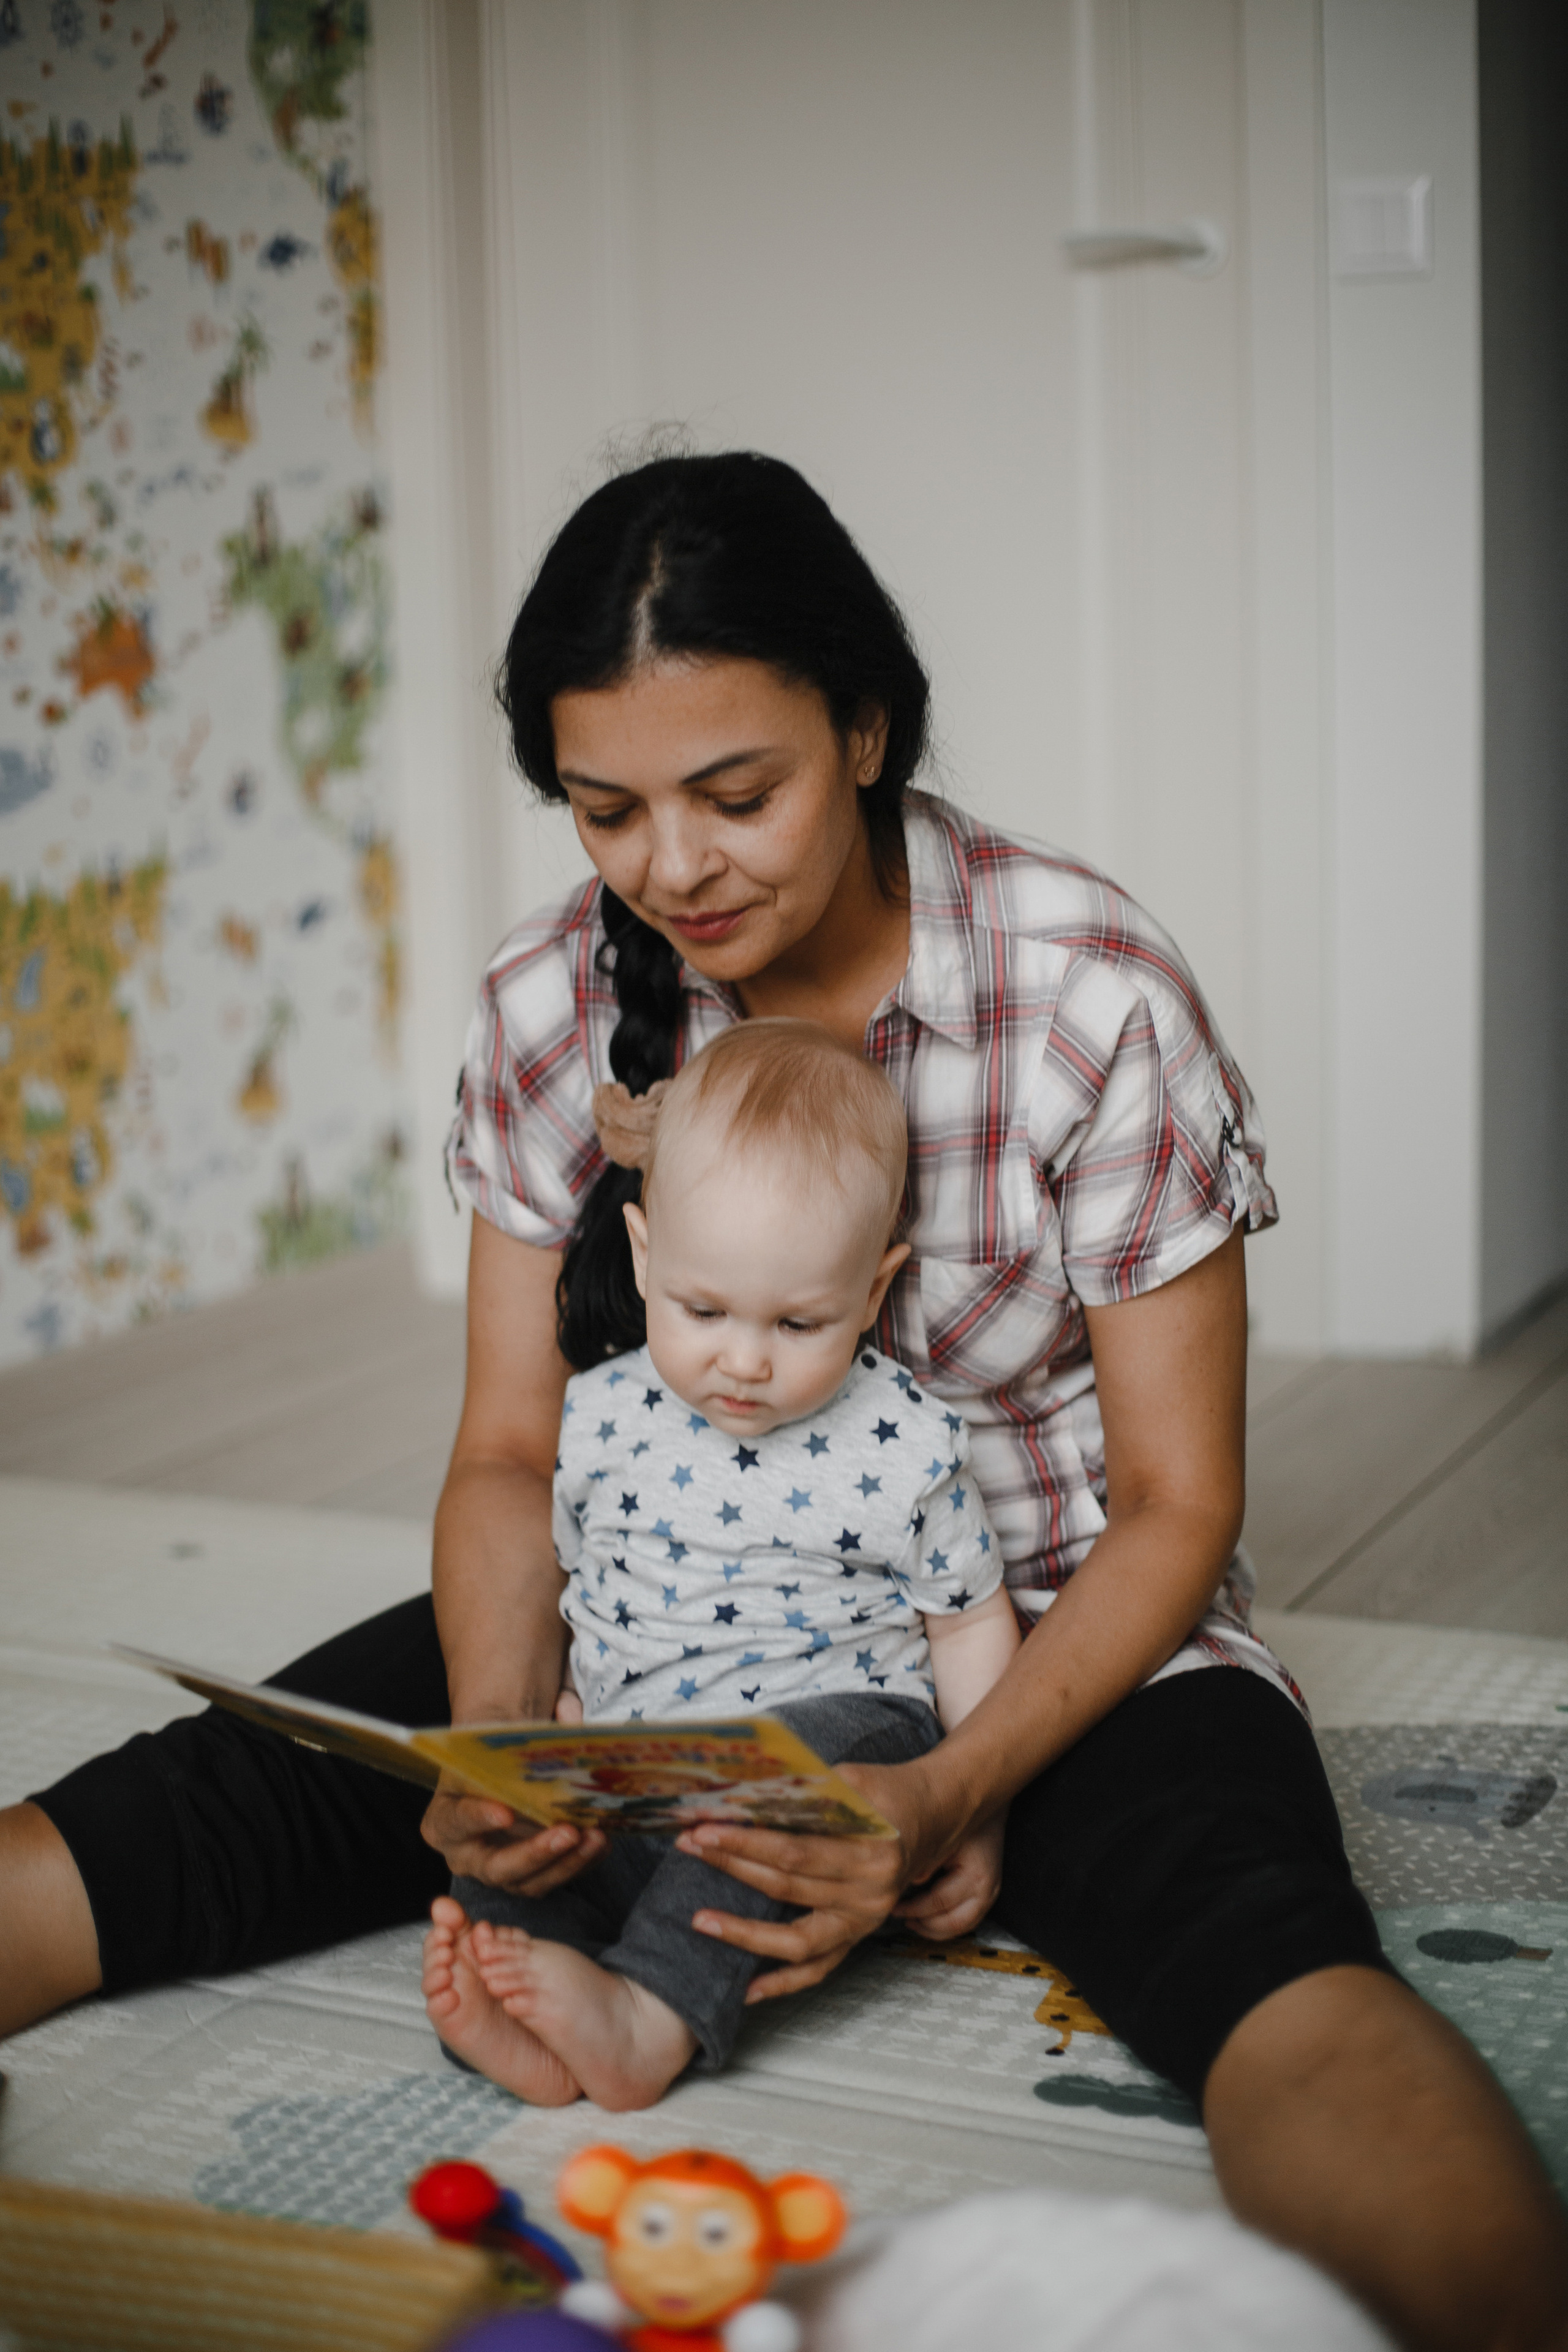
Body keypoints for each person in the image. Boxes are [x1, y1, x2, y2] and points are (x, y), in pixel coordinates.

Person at [3, 453, 1564, 2352]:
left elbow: (1178, 1505)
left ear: (866, 730)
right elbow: (509, 1451)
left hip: (1049, 1628)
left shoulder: (1089, 995)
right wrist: (502, 1744)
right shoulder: (550, 1005)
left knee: (1270, 1959)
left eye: (737, 796)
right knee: (200, 1816)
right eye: (608, 811)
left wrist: (951, 1787)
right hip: (658, 1624)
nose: (675, 868)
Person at [423, 1019, 1019, 2109]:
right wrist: (556, 1720)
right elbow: (580, 1587)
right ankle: (530, 2015)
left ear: (873, 1292)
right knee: (510, 1840)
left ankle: (651, 2016)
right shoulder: (600, 1418)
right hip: (636, 1752)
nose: (743, 1361)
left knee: (776, 1789)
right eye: (703, 1311)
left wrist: (973, 1805)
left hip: (836, 1729)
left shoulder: (903, 1443)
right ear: (644, 1256)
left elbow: (971, 1620)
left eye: (799, 1323)